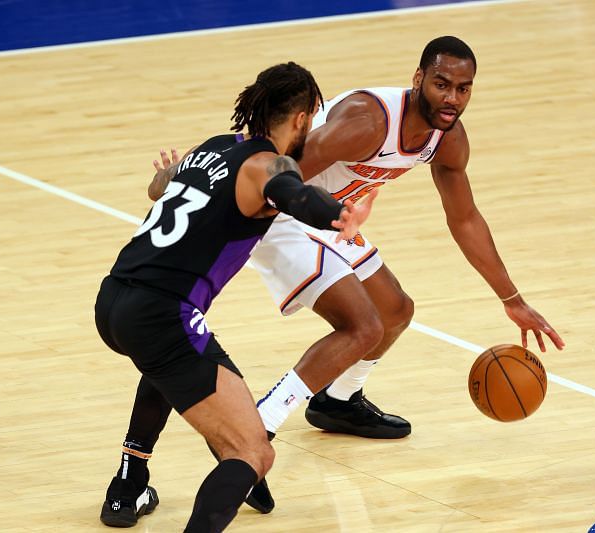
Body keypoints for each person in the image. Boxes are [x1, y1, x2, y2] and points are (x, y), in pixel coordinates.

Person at [149, 36, 566, 514]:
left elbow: (464, 219)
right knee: (363, 325)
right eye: (442, 84)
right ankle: (259, 426)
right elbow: (279, 175)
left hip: (328, 217)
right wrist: (206, 197)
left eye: (464, 88)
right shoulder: (369, 122)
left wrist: (510, 298)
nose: (452, 98)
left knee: (395, 311)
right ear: (418, 80)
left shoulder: (448, 139)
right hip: (283, 210)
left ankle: (337, 401)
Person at [94, 61, 377, 532]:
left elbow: (158, 188)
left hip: (113, 299)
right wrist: (339, 214)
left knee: (169, 366)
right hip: (163, 312)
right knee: (252, 451)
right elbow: (293, 194)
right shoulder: (269, 164)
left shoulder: (211, 148)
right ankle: (226, 469)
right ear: (303, 118)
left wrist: (168, 178)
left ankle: (130, 482)